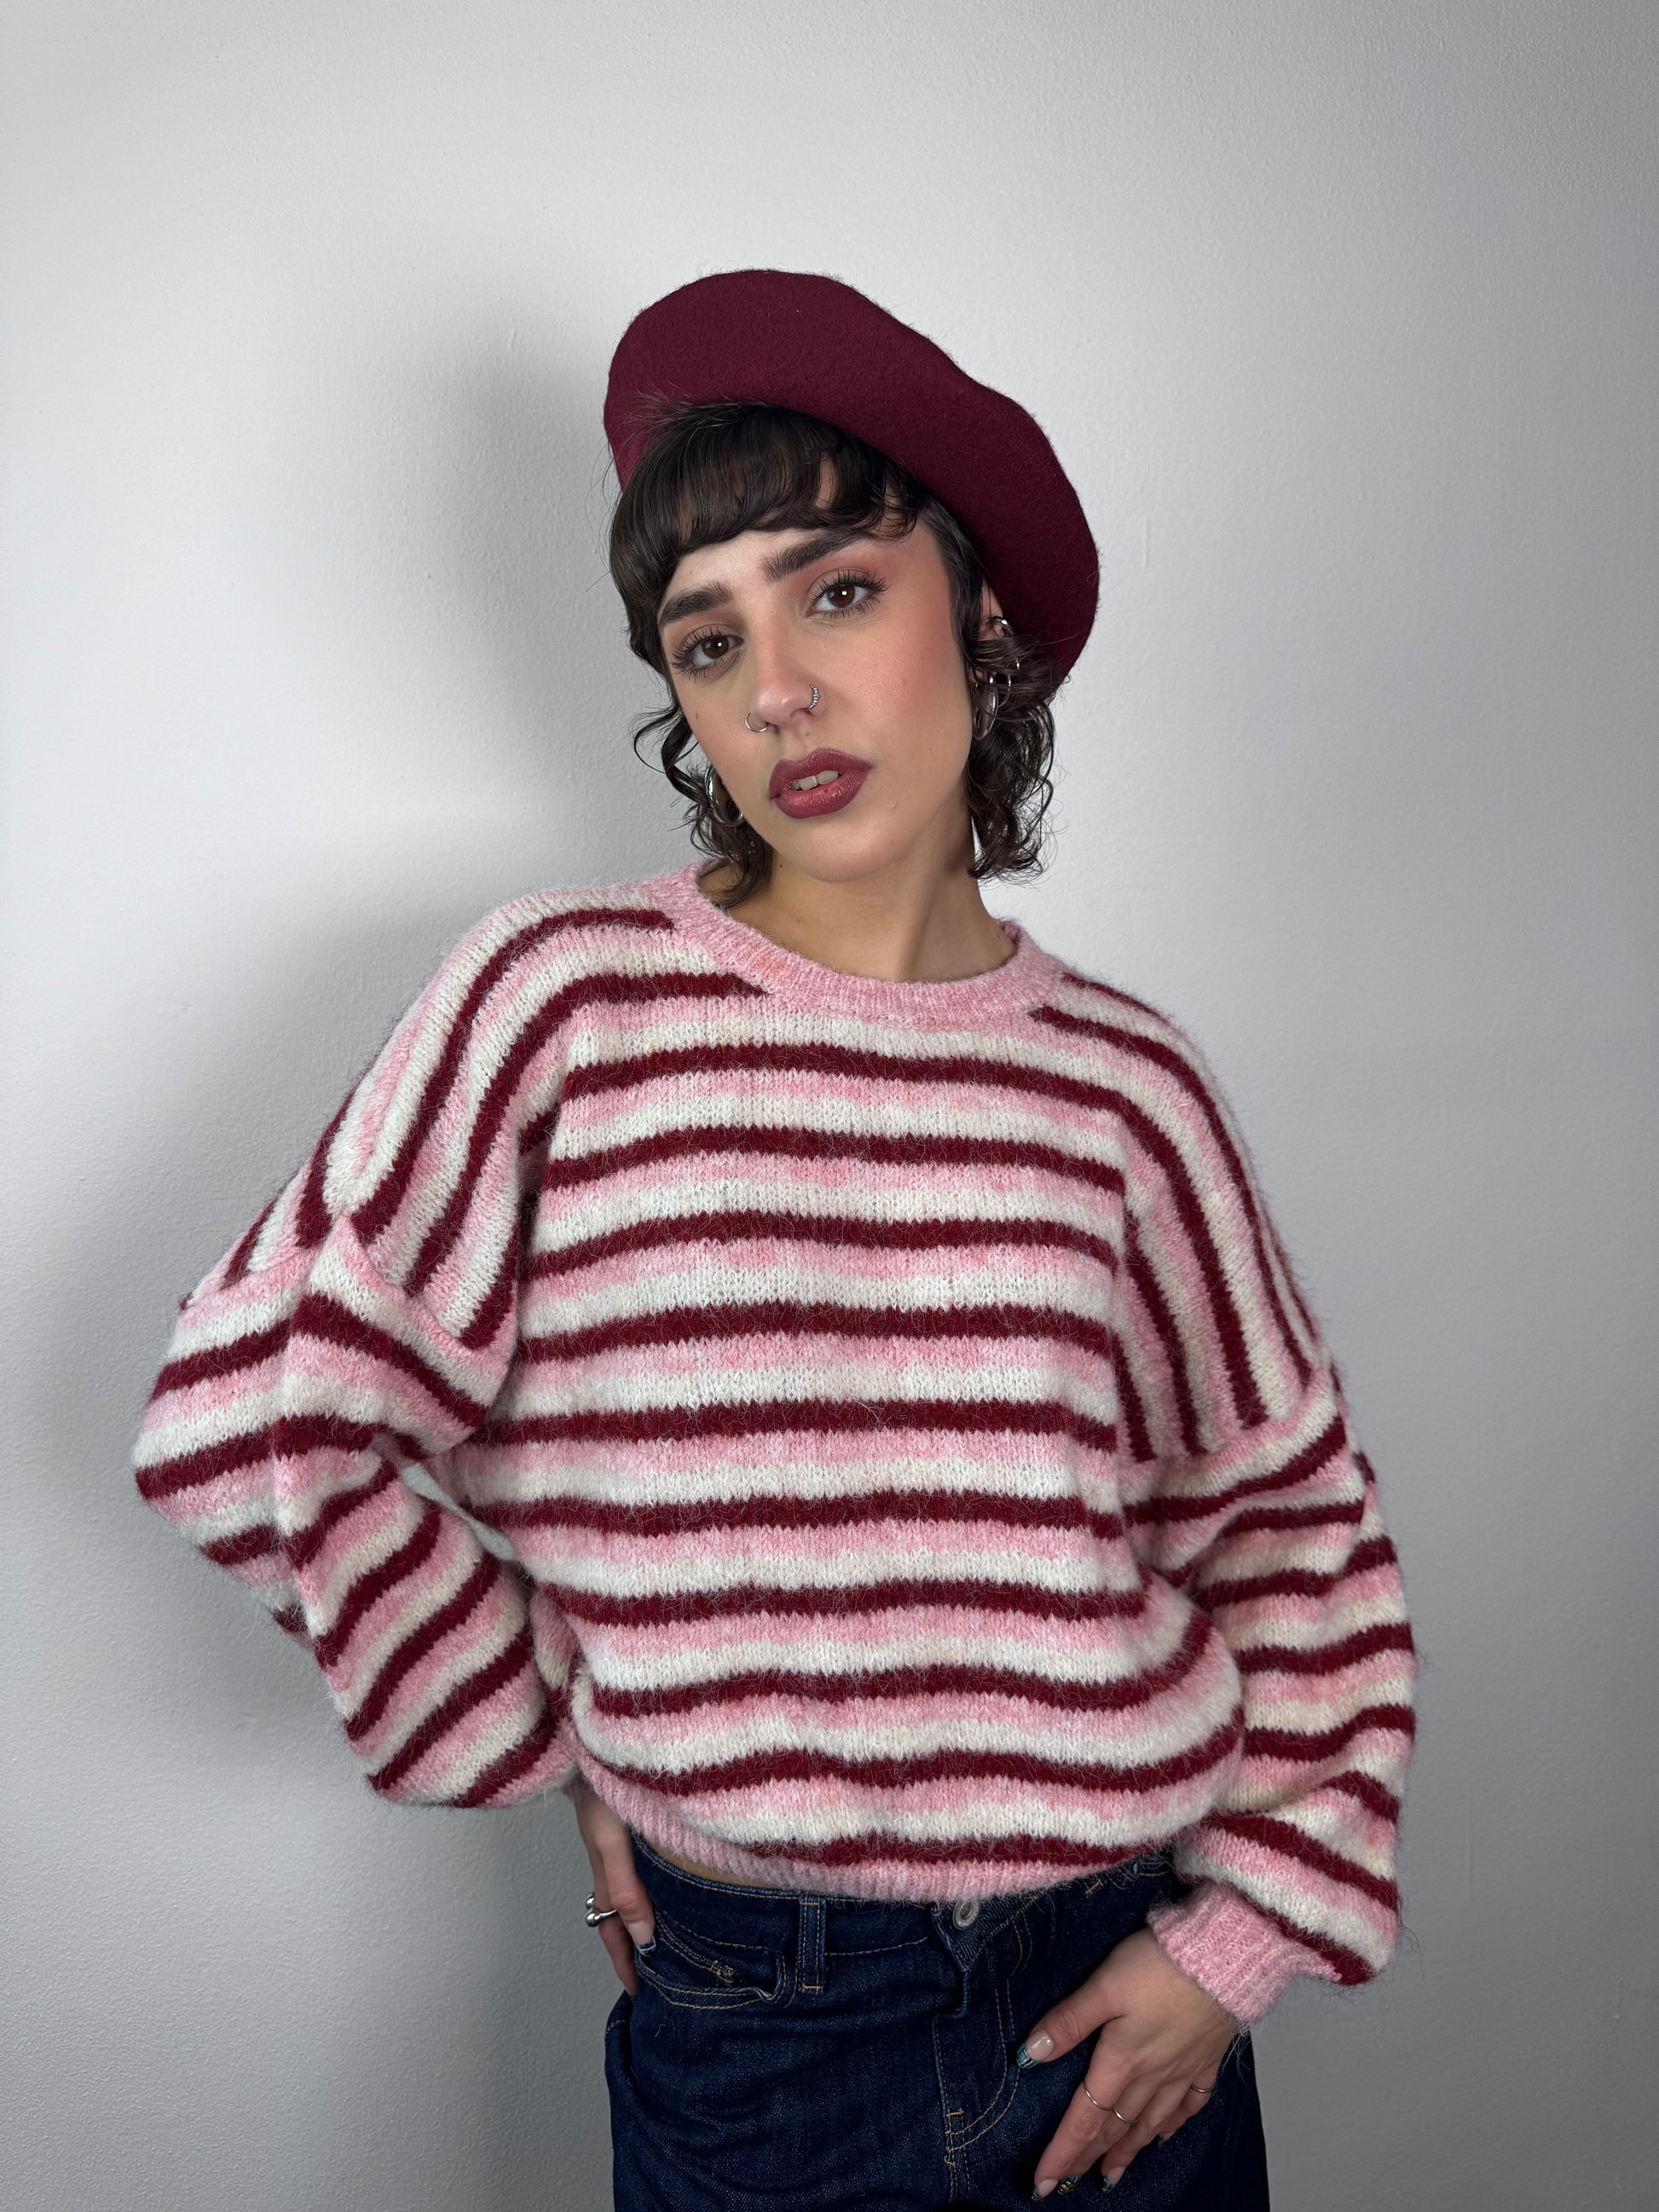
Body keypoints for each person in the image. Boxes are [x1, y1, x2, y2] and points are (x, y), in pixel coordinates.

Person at [135, 269, 1416, 2209]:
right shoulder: (562, 1003)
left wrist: (1232, 1945)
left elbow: (1289, 1531)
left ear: (978, 612)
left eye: (835, 592)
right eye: (708, 637)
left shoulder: (1125, 1083)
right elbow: (253, 1414)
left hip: (1123, 1996)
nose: (775, 692)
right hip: (765, 2029)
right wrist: (558, 1732)